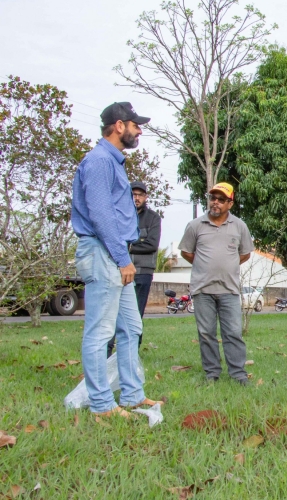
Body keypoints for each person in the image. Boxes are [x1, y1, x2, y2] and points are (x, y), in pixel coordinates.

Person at [71, 102, 159, 417]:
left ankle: (132, 395)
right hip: (102, 252)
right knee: (100, 332)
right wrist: (123, 258)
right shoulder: (98, 161)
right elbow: (100, 215)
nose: (139, 131)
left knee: (131, 328)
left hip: (114, 252)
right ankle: (101, 405)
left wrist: (122, 256)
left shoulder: (113, 162)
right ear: (119, 126)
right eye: (135, 125)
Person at [179, 182, 254, 385]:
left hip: (229, 289)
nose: (216, 202)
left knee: (233, 333)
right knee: (206, 333)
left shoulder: (239, 226)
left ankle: (238, 374)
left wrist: (227, 265)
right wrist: (204, 265)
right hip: (202, 289)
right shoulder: (195, 225)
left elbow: (245, 254)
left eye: (221, 199)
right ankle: (212, 373)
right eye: (213, 198)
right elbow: (186, 252)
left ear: (230, 203)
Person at [106, 180, 161, 357]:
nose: (136, 198)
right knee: (111, 313)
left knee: (135, 315)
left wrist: (125, 247)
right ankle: (107, 353)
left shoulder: (153, 218)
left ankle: (131, 355)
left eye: (140, 195)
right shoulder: (118, 215)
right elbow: (111, 240)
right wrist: (134, 244)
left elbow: (151, 245)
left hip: (142, 272)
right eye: (133, 194)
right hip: (117, 270)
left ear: (146, 197)